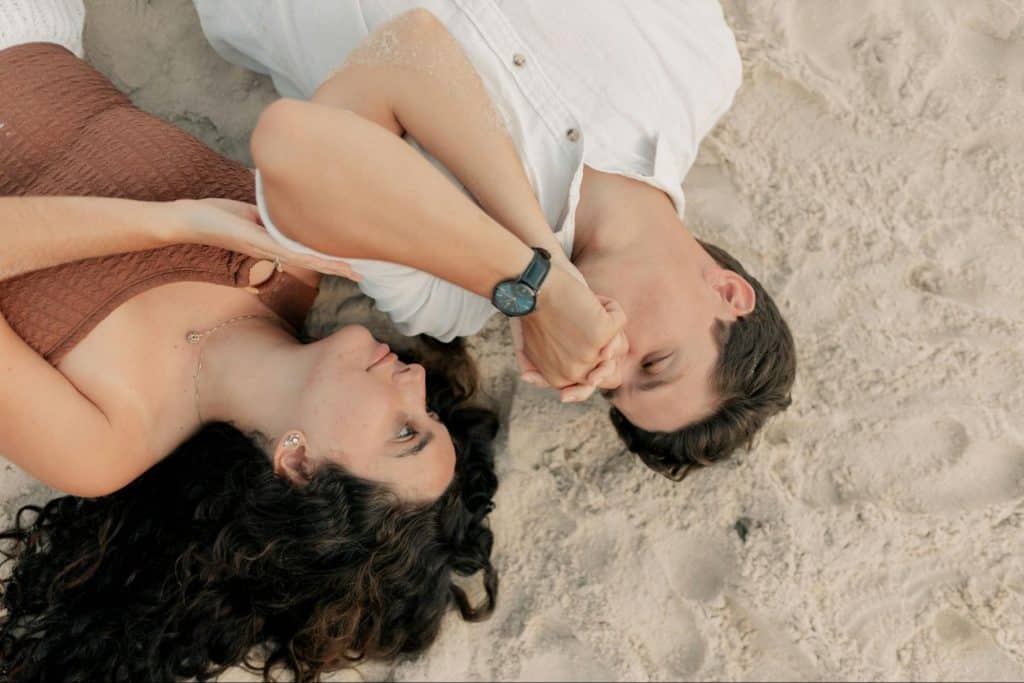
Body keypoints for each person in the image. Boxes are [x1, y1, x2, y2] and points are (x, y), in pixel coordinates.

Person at [0, 2, 498, 679]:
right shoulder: (298, 264)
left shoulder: (106, 444)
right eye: (431, 412)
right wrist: (541, 279)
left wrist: (173, 226)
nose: (415, 381)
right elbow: (405, 56)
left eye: (404, 431)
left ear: (298, 464)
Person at [193, 0, 798, 480]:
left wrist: (530, 285)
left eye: (610, 386)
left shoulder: (447, 296)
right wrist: (544, 275)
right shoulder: (700, 70)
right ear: (728, 293)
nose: (608, 357)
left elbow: (309, 132)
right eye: (654, 362)